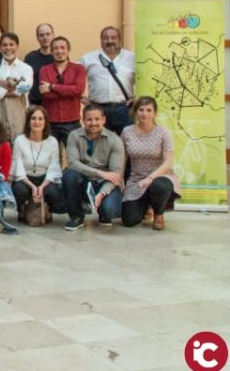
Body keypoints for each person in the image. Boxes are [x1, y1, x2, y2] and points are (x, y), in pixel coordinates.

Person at [120, 97, 181, 230]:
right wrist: (121, 181)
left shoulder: (163, 133)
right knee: (129, 220)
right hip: (137, 180)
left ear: (155, 113)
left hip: (161, 177)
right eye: (141, 110)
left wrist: (150, 178)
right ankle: (147, 206)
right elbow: (122, 159)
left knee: (159, 185)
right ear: (135, 112)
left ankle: (158, 214)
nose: (144, 113)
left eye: (149, 110)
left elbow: (168, 161)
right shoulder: (127, 132)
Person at [62, 104, 125, 231]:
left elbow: (116, 174)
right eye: (89, 119)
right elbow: (73, 163)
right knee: (69, 175)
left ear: (103, 120)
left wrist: (102, 193)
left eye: (97, 119)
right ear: (83, 120)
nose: (93, 123)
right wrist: (100, 173)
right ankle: (76, 216)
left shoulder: (115, 140)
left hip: (105, 183)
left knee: (110, 210)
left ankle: (104, 213)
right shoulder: (74, 136)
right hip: (83, 181)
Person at [11, 106, 66, 218]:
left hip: (44, 178)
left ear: (45, 122)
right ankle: (23, 208)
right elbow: (18, 169)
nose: (37, 122)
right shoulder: (19, 140)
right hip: (25, 179)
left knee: (53, 192)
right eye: (33, 118)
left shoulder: (52, 141)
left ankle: (46, 209)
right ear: (28, 122)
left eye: (40, 119)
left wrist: (41, 187)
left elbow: (53, 167)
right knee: (19, 190)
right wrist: (32, 186)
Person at [81, 26, 135, 135]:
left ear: (119, 39)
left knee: (127, 142)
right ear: (101, 40)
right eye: (106, 38)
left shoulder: (132, 58)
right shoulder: (88, 58)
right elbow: (72, 76)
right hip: (98, 110)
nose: (110, 41)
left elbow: (145, 79)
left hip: (124, 109)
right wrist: (80, 97)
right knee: (99, 142)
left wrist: (138, 98)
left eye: (113, 38)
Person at [0, 32, 33, 141]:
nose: (8, 48)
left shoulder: (25, 68)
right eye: (5, 45)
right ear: (0, 47)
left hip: (18, 113)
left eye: (11, 44)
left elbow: (25, 88)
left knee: (18, 143)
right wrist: (13, 87)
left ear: (17, 46)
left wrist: (1, 83)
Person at [38, 36, 86, 145]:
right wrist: (69, 91)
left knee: (74, 153)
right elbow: (46, 95)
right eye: (55, 48)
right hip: (50, 121)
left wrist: (52, 87)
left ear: (68, 50)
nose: (59, 51)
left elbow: (78, 90)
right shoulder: (44, 70)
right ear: (51, 52)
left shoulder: (79, 69)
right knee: (49, 154)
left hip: (72, 121)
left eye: (62, 48)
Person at [24, 23, 55, 106]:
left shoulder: (59, 57)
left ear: (53, 35)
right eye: (41, 35)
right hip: (35, 104)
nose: (45, 37)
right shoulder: (30, 57)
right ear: (37, 38)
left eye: (48, 34)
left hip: (54, 104)